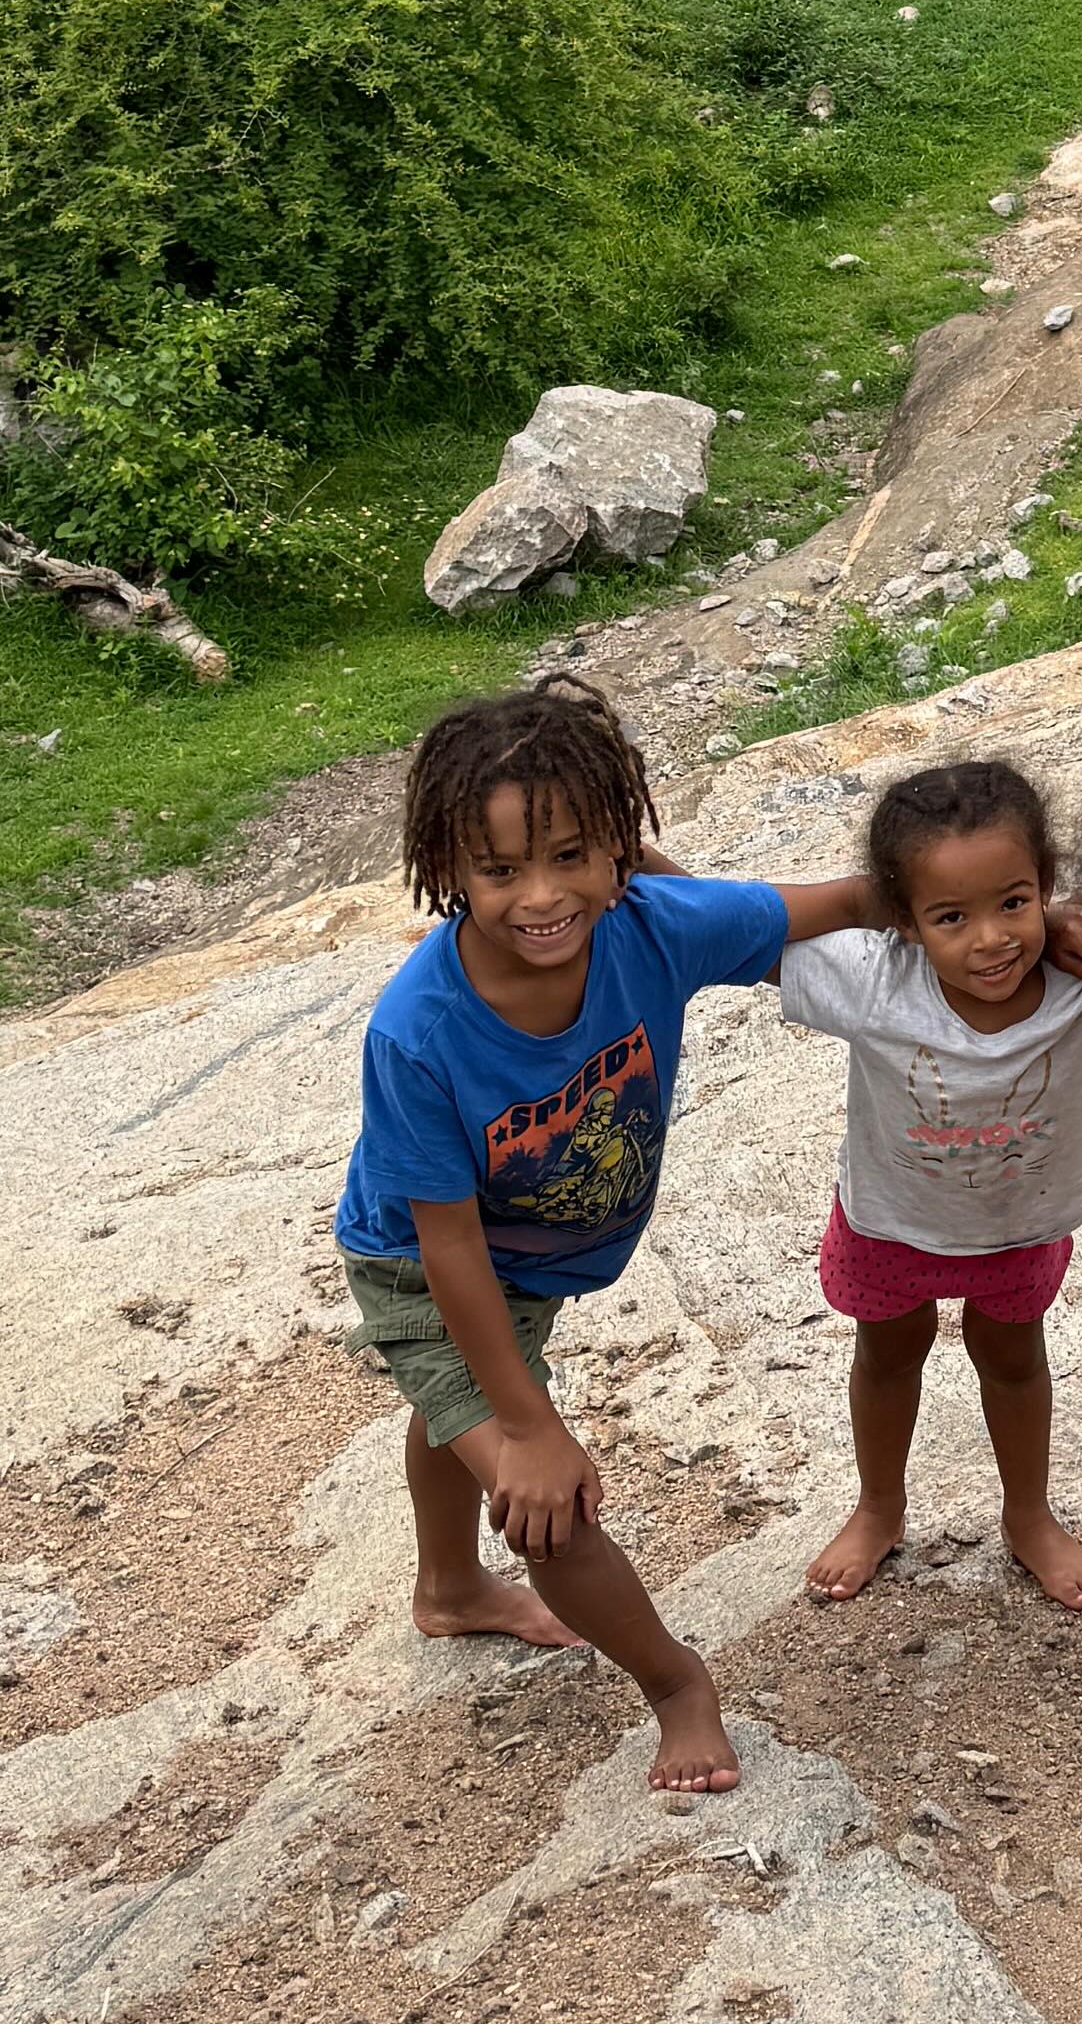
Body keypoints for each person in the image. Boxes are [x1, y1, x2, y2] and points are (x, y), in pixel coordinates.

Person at [336, 674, 879, 1800]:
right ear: (447, 869)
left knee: (457, 1416)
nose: (540, 896)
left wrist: (1039, 908)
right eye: (497, 871)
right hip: (432, 1272)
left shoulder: (653, 928)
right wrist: (530, 1433)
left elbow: (849, 902)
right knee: (542, 1499)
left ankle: (448, 1591)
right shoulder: (420, 1031)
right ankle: (678, 1684)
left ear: (620, 850)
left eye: (572, 856)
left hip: (529, 1267)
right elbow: (447, 1252)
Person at [776, 756, 1082, 1614]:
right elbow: (723, 928)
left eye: (1013, 902)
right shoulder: (872, 977)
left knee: (1012, 1362)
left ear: (1047, 883)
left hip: (1021, 1228)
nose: (990, 939)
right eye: (949, 916)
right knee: (888, 1356)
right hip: (892, 1225)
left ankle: (1028, 1515)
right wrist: (619, 864)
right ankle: (880, 1506)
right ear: (901, 918)